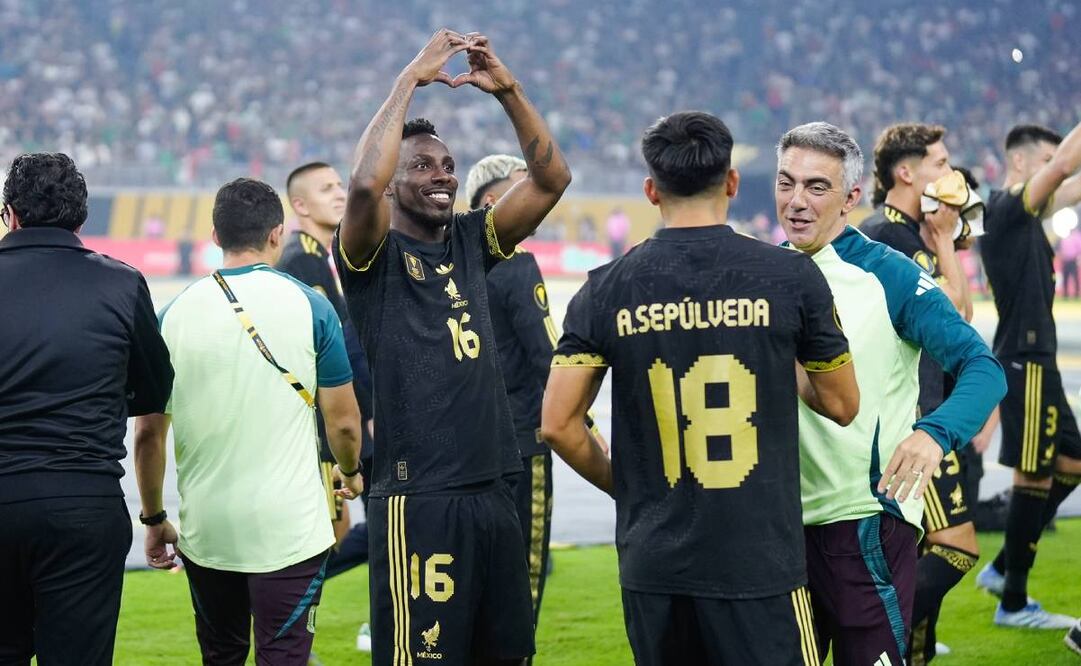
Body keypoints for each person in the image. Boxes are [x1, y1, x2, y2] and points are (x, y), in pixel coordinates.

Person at [542, 111, 860, 666]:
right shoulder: (789, 279)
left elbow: (557, 424)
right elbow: (843, 404)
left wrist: (628, 485)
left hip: (655, 562)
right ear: (732, 182)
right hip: (758, 559)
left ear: (650, 190)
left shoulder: (605, 289)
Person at [334, 30, 571, 665]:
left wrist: (510, 92)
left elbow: (552, 178)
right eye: (421, 166)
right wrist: (408, 80)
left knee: (508, 654)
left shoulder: (471, 240)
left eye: (446, 165)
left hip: (495, 489)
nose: (442, 175)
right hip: (421, 500)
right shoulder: (371, 258)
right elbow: (360, 188)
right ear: (391, 184)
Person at [774, 122, 1005, 666]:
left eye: (816, 187)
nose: (797, 202)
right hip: (777, 530)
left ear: (852, 198)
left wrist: (933, 434)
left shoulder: (889, 275)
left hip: (865, 523)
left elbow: (983, 367)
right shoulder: (762, 274)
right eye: (786, 183)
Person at [134, 178, 364, 665]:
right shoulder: (312, 306)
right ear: (278, 233)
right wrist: (348, 470)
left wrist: (154, 518)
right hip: (290, 529)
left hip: (208, 531)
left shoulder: (172, 314)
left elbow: (148, 435)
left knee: (222, 656)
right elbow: (343, 423)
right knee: (284, 656)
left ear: (215, 236)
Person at [0, 152, 174, 665]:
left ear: (9, 213)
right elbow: (154, 389)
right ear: (81, 218)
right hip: (82, 502)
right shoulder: (120, 282)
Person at [860, 123, 992, 664]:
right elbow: (957, 315)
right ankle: (874, 627)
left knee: (917, 546)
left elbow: (957, 323)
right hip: (914, 419)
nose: (950, 173)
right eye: (940, 163)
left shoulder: (907, 232)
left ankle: (908, 649)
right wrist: (942, 240)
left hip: (928, 411)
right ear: (907, 172)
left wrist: (941, 239)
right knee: (956, 547)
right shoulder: (889, 235)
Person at [465, 154, 609, 641]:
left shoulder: (449, 260)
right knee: (520, 582)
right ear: (493, 202)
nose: (537, 199)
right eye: (523, 187)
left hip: (461, 449)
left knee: (469, 582)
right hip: (520, 447)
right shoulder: (515, 260)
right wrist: (588, 427)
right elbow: (549, 355)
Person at [975, 121, 1081, 631]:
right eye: (1043, 164)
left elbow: (1069, 178)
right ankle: (1012, 599)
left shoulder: (1028, 214)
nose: (1051, 175)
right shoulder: (1004, 208)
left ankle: (1003, 566)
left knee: (1073, 462)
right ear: (1019, 163)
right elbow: (1063, 167)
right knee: (1034, 475)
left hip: (1038, 361)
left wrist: (1062, 169)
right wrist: (1060, 161)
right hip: (1024, 359)